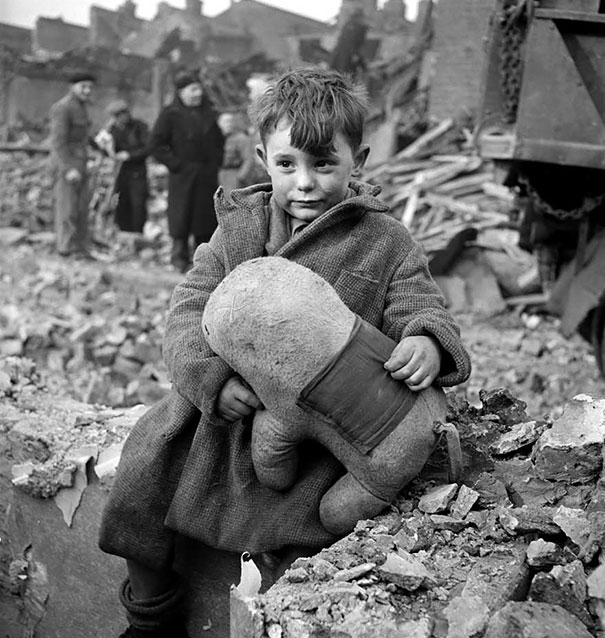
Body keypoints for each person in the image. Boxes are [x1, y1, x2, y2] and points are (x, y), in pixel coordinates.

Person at [99, 67, 472, 637]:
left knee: (308, 521)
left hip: (315, 429)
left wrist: (424, 339)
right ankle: (150, 615)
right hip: (225, 413)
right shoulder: (237, 230)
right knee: (147, 466)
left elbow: (419, 302)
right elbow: (187, 310)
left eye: (325, 165)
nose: (305, 184)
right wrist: (210, 380)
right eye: (287, 165)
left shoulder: (384, 241)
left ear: (359, 160)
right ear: (261, 158)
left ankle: (275, 610)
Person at [149, 70, 224, 273]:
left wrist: (216, 161)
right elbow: (156, 145)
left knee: (205, 219)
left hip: (206, 174)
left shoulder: (208, 113)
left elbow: (218, 141)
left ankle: (203, 262)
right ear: (181, 92)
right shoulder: (170, 115)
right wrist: (176, 165)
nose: (197, 94)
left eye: (199, 89)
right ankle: (178, 258)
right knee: (181, 216)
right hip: (183, 175)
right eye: (192, 90)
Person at [48, 70, 97, 259]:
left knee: (82, 208)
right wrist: (68, 169)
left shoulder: (83, 107)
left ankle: (79, 248)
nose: (87, 90)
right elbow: (58, 142)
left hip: (82, 162)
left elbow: (84, 137)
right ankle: (65, 248)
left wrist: (97, 148)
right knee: (67, 208)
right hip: (66, 163)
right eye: (83, 86)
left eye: (90, 87)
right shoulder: (63, 108)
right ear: (73, 87)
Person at [102, 99, 150, 234]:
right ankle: (123, 232)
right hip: (119, 174)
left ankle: (137, 233)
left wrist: (129, 155)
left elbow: (147, 148)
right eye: (119, 115)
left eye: (124, 113)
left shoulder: (139, 127)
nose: (123, 117)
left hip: (137, 173)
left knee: (138, 205)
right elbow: (106, 149)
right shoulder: (112, 130)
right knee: (121, 204)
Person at [216, 111, 253, 193]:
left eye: (231, 121)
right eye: (225, 122)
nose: (228, 124)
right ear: (219, 123)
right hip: (217, 173)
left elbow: (248, 159)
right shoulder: (214, 138)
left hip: (233, 173)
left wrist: (240, 177)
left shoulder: (241, 138)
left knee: (230, 201)